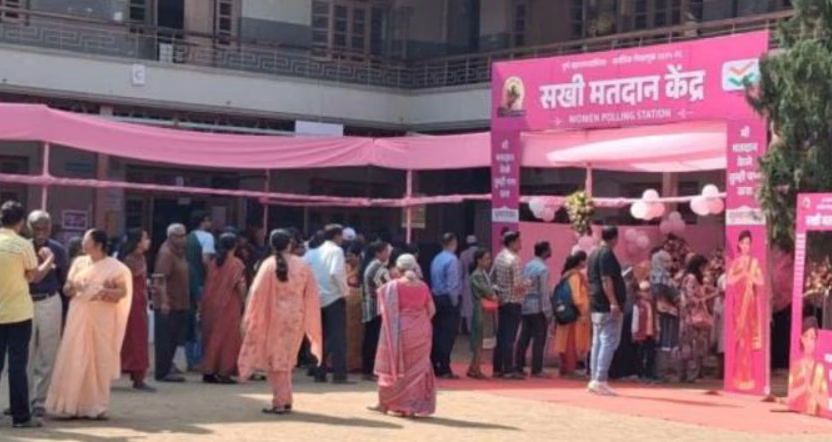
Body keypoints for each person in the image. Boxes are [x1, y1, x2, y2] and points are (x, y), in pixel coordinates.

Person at [45, 229, 132, 420]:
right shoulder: (78, 262)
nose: (83, 244)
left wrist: (108, 291)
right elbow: (67, 289)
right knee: (74, 357)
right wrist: (75, 286)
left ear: (98, 245)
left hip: (102, 318)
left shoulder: (116, 268)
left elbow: (123, 293)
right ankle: (69, 405)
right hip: (78, 314)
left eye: (87, 241)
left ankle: (97, 406)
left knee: (99, 360)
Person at [238, 229, 322, 415]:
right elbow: (312, 293)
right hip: (295, 317)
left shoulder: (268, 265)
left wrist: (250, 317)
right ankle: (286, 399)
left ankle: (280, 402)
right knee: (286, 360)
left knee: (277, 361)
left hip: (275, 318)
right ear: (290, 244)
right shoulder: (302, 265)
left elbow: (255, 293)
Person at [0, 201, 54, 428]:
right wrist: (49, 258)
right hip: (18, 313)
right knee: (17, 366)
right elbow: (33, 276)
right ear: (21, 223)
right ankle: (21, 416)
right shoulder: (22, 245)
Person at [369, 254, 436, 417]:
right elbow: (432, 310)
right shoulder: (423, 286)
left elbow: (381, 304)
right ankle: (412, 406)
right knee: (417, 370)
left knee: (395, 367)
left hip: (399, 331)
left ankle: (386, 403)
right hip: (421, 330)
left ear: (398, 269)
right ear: (414, 267)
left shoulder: (392, 286)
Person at [26, 210, 69, 416]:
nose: (41, 232)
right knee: (24, 355)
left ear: (51, 227)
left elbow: (63, 279)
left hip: (49, 301)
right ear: (28, 227)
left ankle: (39, 402)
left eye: (45, 228)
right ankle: (22, 400)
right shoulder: (23, 247)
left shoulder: (58, 249)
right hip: (24, 303)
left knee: (48, 353)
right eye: (37, 228)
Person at [306, 224, 351, 384]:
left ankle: (319, 371)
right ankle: (339, 374)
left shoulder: (312, 253)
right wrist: (345, 292)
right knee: (338, 337)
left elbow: (305, 272)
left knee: (320, 336)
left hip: (316, 298)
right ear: (337, 236)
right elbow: (336, 273)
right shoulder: (336, 251)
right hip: (333, 297)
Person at [201, 233, 247, 384]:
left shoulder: (214, 262)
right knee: (228, 339)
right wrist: (245, 301)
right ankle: (224, 371)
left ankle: (209, 370)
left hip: (211, 303)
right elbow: (240, 285)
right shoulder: (236, 263)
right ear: (235, 246)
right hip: (229, 304)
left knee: (212, 337)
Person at [587, 226, 626, 396]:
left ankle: (595, 378)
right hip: (605, 303)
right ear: (614, 238)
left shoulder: (593, 253)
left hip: (595, 301)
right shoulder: (607, 254)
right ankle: (601, 379)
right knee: (608, 340)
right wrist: (613, 303)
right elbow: (606, 279)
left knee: (598, 341)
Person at [726, 230, 764, 391]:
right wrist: (742, 274)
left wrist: (750, 275)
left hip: (750, 306)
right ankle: (738, 378)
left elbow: (760, 281)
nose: (746, 246)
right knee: (740, 341)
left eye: (748, 243)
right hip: (738, 306)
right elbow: (729, 281)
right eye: (743, 243)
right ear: (739, 245)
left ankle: (748, 378)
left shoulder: (754, 262)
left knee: (747, 341)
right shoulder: (735, 263)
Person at [118, 228, 155, 392]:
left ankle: (138, 375)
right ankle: (137, 376)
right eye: (145, 238)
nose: (148, 241)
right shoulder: (130, 259)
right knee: (135, 339)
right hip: (130, 302)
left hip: (139, 301)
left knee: (138, 339)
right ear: (138, 242)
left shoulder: (140, 258)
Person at [153, 223, 190, 383]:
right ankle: (162, 371)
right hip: (168, 304)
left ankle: (168, 366)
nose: (183, 239)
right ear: (171, 237)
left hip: (179, 303)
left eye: (184, 235)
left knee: (174, 338)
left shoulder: (179, 253)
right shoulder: (166, 254)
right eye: (179, 236)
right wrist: (164, 302)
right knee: (165, 339)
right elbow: (160, 279)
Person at [515, 241, 552, 378]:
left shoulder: (528, 265)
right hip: (537, 307)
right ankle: (537, 368)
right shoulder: (543, 269)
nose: (551, 251)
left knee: (524, 336)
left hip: (526, 304)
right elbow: (543, 292)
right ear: (544, 252)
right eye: (549, 249)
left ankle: (518, 365)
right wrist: (547, 311)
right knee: (539, 338)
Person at [493, 231, 526, 380]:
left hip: (502, 300)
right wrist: (528, 283)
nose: (520, 244)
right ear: (512, 243)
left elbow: (493, 277)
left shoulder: (499, 257)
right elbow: (518, 284)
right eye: (518, 241)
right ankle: (508, 369)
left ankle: (497, 367)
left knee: (501, 335)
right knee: (510, 337)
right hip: (513, 300)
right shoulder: (515, 260)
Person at [184, 211, 215, 372]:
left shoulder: (186, 238)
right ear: (204, 222)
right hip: (202, 282)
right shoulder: (207, 238)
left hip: (186, 283)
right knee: (201, 321)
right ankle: (199, 359)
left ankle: (190, 359)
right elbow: (205, 260)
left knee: (190, 321)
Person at [429, 233, 462, 379]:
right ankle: (444, 367)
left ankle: (435, 364)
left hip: (436, 298)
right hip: (448, 300)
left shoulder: (436, 258)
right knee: (448, 335)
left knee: (437, 333)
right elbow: (452, 285)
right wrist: (455, 303)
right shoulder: (452, 260)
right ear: (453, 242)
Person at [553, 251, 590, 377]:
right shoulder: (575, 276)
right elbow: (577, 297)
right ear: (580, 261)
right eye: (585, 260)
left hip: (567, 312)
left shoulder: (567, 275)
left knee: (565, 340)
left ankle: (566, 368)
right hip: (574, 314)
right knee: (571, 341)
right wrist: (582, 312)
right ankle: (569, 369)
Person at [679, 254, 713, 383]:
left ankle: (684, 374)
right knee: (694, 346)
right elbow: (692, 299)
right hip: (692, 317)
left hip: (686, 317)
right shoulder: (692, 279)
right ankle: (691, 375)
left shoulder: (686, 278)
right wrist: (709, 297)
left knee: (686, 345)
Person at [361, 240, 391, 381]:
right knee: (373, 340)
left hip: (370, 308)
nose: (388, 254)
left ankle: (368, 369)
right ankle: (371, 369)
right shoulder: (378, 268)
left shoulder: (372, 266)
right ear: (378, 253)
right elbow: (387, 289)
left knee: (369, 339)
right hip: (376, 309)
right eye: (385, 251)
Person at [650, 249, 680, 382]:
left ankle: (656, 371)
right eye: (667, 261)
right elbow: (675, 296)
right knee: (665, 342)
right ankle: (662, 373)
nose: (669, 264)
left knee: (657, 341)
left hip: (654, 311)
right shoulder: (664, 278)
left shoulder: (651, 275)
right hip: (666, 313)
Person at [788, 317, 828, 416]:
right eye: (806, 336)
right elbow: (790, 396)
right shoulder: (796, 366)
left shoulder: (820, 369)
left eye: (812, 338)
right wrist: (803, 388)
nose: (809, 342)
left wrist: (811, 390)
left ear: (816, 341)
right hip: (796, 419)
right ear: (801, 339)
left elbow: (826, 403)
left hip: (815, 421)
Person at [467, 248, 497, 379]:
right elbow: (487, 291)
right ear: (478, 260)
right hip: (481, 309)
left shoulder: (482, 273)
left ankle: (473, 366)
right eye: (486, 259)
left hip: (484, 309)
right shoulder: (477, 275)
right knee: (479, 339)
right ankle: (475, 368)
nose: (488, 261)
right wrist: (493, 293)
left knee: (481, 339)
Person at [632, 281, 656, 382]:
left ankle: (648, 374)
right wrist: (634, 332)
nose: (647, 293)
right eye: (645, 291)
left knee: (650, 354)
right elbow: (635, 320)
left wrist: (657, 330)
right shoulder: (637, 305)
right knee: (640, 354)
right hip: (641, 333)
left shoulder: (652, 305)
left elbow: (655, 318)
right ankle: (640, 374)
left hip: (650, 332)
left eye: (648, 291)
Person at [459, 235, 479, 334]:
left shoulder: (463, 254)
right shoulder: (480, 252)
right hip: (480, 280)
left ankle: (469, 329)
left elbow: (461, 270)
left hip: (467, 280)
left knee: (467, 306)